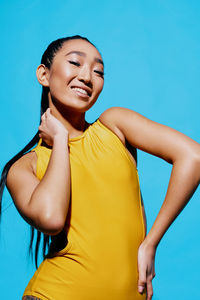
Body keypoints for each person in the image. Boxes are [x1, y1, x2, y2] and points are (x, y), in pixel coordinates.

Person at [0, 35, 200, 300]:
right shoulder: (25, 166)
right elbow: (51, 219)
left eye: (98, 71)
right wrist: (60, 140)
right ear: (44, 74)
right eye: (75, 63)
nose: (87, 77)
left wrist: (150, 243)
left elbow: (193, 157)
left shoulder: (114, 126)